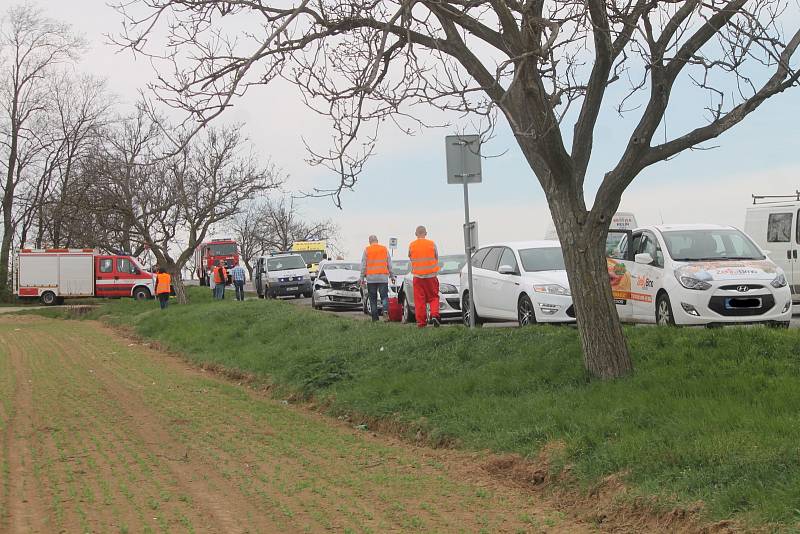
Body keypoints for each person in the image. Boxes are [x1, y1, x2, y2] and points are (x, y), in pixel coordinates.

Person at [408, 225, 441, 328]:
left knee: (419, 300)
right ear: (425, 233)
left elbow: (410, 257)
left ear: (416, 234)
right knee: (434, 297)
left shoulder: (412, 245)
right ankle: (435, 315)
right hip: (431, 276)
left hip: (418, 276)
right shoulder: (432, 244)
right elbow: (436, 257)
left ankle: (421, 323)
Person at [359, 235, 394, 322]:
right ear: (377, 240)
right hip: (383, 277)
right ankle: (385, 311)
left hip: (371, 278)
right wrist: (392, 275)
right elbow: (389, 263)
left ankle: (375, 318)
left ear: (369, 241)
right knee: (384, 296)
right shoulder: (384, 249)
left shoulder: (367, 250)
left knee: (373, 298)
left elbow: (363, 265)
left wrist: (362, 278)